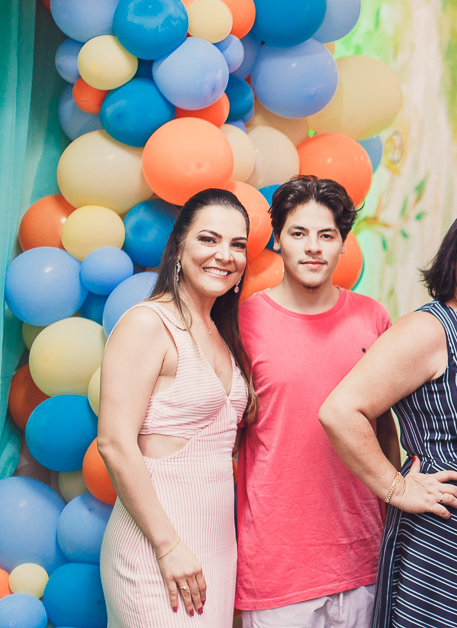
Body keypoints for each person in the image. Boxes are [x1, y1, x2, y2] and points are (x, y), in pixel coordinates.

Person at [320, 199, 457, 628]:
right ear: (454, 256)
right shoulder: (428, 329)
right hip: (444, 537)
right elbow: (340, 410)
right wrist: (396, 488)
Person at [235, 176, 395, 627]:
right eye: (298, 233)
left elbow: (386, 432)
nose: (313, 248)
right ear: (278, 241)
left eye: (327, 235)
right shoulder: (243, 323)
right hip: (277, 566)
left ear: (343, 244)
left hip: (362, 556)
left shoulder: (373, 317)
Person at [97, 188, 254, 627]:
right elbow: (113, 442)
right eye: (209, 239)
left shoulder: (223, 335)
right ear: (178, 249)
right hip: (154, 546)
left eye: (237, 244)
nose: (224, 254)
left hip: (216, 552)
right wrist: (168, 547)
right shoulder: (148, 323)